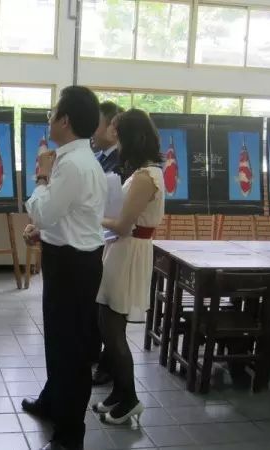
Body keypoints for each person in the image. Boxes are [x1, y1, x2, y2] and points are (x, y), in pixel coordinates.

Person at [22, 86, 107, 450]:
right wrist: (42, 233)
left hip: (74, 266)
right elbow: (70, 216)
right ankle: (52, 402)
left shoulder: (70, 164)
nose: (49, 119)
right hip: (70, 259)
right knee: (58, 341)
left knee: (71, 350)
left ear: (65, 120)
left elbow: (44, 210)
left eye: (52, 113)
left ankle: (71, 434)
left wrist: (41, 177)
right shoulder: (79, 159)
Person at [92, 108, 165, 425]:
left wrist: (95, 217)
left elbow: (123, 225)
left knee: (113, 330)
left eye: (119, 136)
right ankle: (119, 393)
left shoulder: (147, 177)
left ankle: (130, 398)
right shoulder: (142, 173)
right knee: (107, 325)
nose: (116, 143)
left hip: (128, 251)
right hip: (121, 250)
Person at [90, 100, 125, 387]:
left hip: (113, 239)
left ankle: (109, 363)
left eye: (97, 124)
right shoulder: (98, 157)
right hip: (97, 236)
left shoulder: (123, 164)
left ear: (113, 128)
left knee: (110, 306)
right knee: (97, 302)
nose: (93, 130)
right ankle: (96, 354)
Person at [92, 101, 124, 175]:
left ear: (113, 129)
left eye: (96, 124)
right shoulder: (93, 157)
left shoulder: (121, 164)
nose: (91, 130)